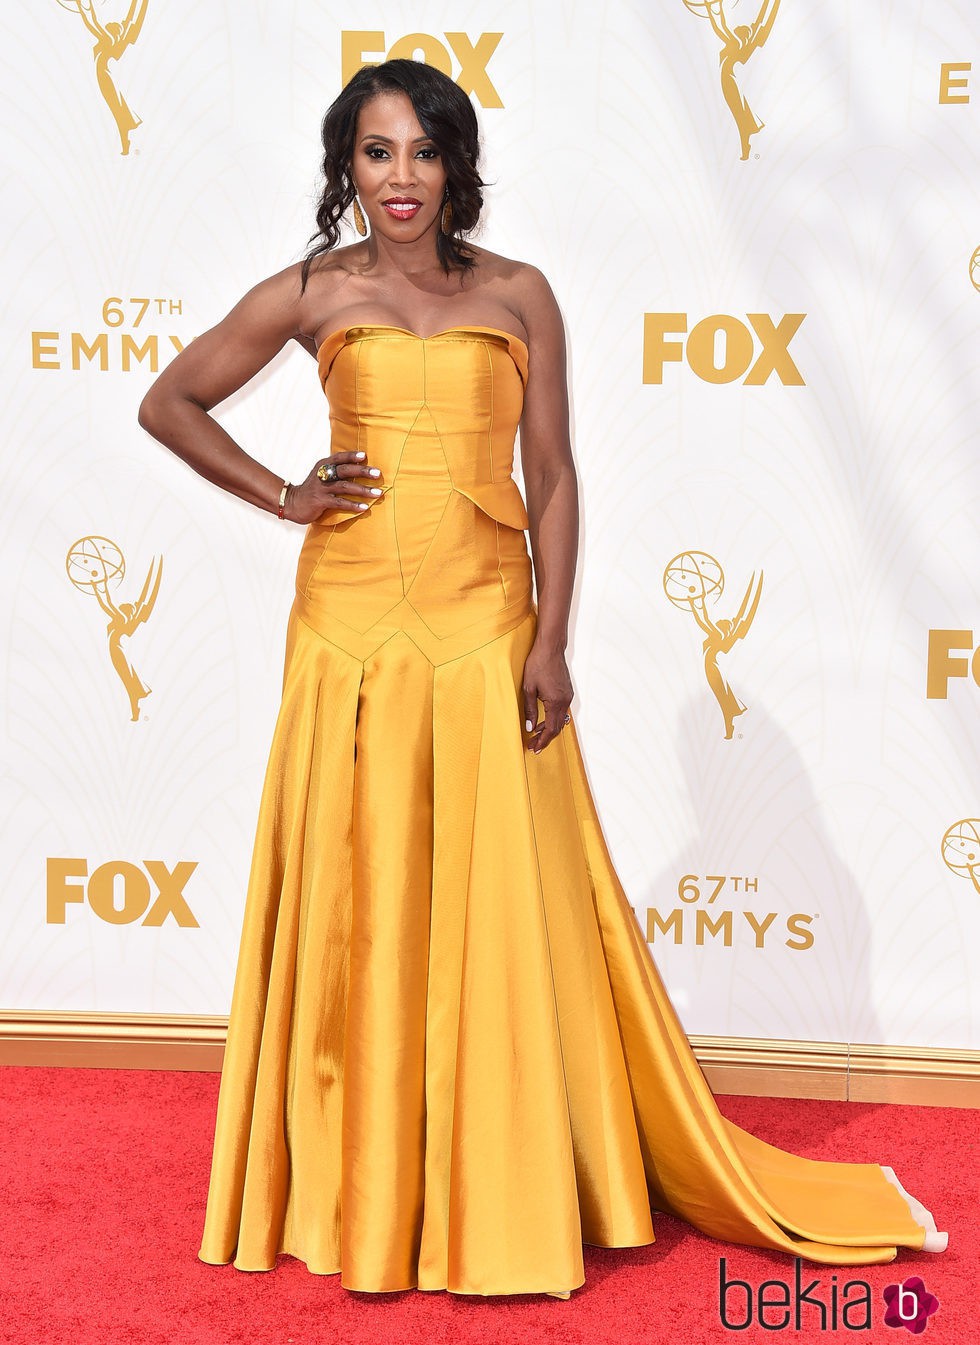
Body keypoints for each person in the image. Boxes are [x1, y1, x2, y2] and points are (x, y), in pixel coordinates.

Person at [137, 58, 947, 1299]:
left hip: (481, 621)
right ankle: (358, 1182)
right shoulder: (312, 291)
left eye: (420, 151)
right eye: (374, 152)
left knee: (492, 897)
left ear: (457, 164)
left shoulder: (519, 295)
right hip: (349, 623)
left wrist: (551, 637)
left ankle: (492, 1178)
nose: (399, 177)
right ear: (344, 168)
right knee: (360, 895)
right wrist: (286, 495)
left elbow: (553, 476)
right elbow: (170, 400)